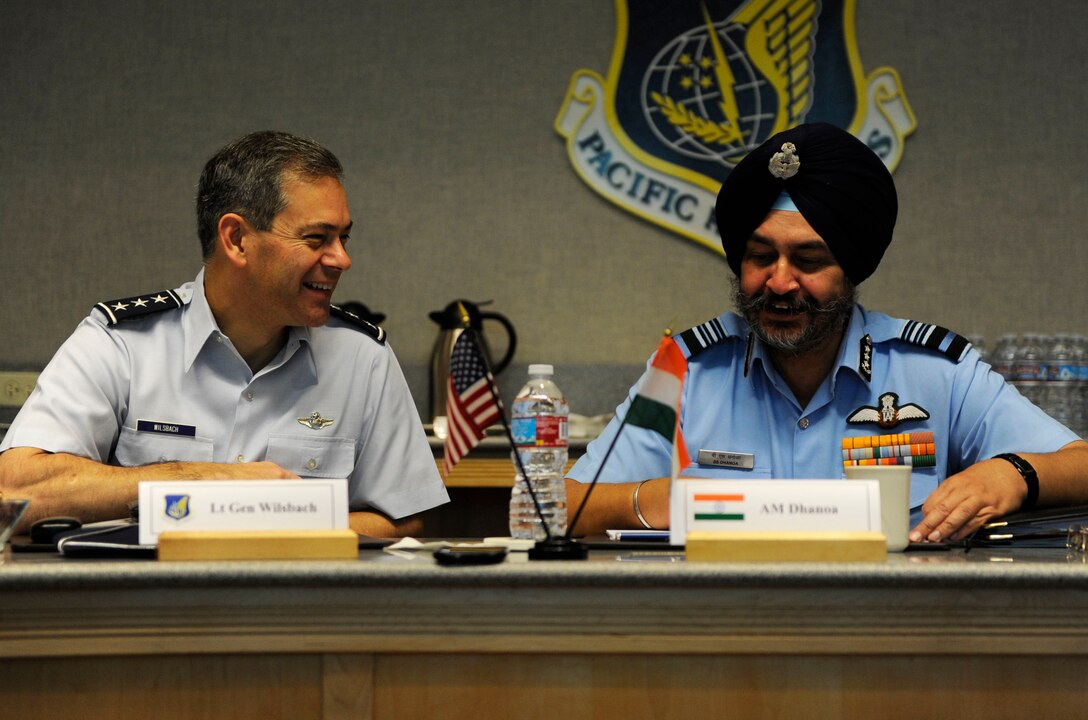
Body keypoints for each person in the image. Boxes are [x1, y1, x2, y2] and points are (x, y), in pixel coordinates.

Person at [566, 122, 1088, 543]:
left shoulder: (933, 372)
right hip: (721, 634)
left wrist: (1012, 474)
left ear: (851, 268)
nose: (780, 282)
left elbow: (1080, 463)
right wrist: (651, 502)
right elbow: (559, 506)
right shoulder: (688, 371)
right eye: (760, 257)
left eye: (809, 260)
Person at [0, 130, 448, 537]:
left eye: (344, 239)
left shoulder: (361, 356)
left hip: (298, 616)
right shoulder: (121, 344)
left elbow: (399, 517)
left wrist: (266, 525)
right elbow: (16, 489)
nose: (341, 260)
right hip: (144, 615)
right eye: (317, 239)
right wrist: (208, 480)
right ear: (236, 239)